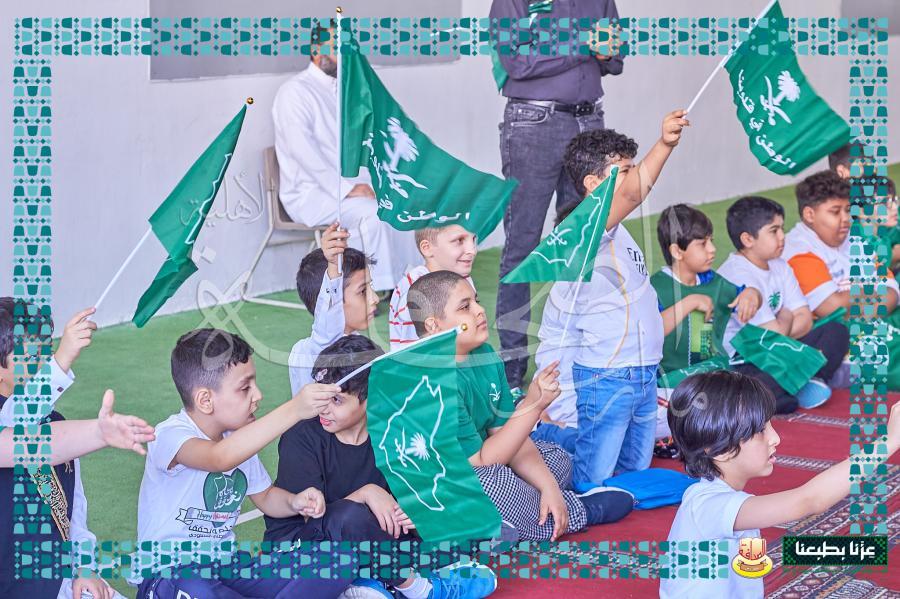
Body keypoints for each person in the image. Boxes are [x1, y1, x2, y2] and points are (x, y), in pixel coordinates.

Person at [408, 271, 634, 542]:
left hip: (490, 461)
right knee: (494, 484)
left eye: (476, 301)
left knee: (557, 459)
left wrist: (549, 486)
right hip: (444, 487)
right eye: (465, 307)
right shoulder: (433, 381)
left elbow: (505, 433)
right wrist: (533, 406)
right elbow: (481, 462)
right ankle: (579, 510)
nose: (480, 310)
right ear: (433, 325)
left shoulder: (484, 355)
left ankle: (504, 521)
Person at [267, 335, 497, 599]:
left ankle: (374, 582)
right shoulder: (301, 437)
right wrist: (366, 493)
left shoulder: (392, 431)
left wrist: (416, 511)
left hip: (374, 541)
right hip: (308, 547)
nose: (324, 409)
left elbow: (419, 493)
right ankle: (420, 589)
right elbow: (315, 519)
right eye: (322, 396)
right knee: (349, 517)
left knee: (458, 518)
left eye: (337, 400)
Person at [132, 328, 351, 598]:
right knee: (197, 589)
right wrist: (295, 409)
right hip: (169, 572)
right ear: (205, 400)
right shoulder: (169, 435)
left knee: (337, 562)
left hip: (228, 567)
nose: (257, 395)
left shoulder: (236, 440)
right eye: (245, 388)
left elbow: (266, 497)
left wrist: (295, 502)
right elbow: (218, 458)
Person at [541, 110, 689, 490]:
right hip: (607, 377)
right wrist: (666, 144)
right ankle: (547, 436)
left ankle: (564, 442)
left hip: (643, 372)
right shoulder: (584, 229)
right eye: (624, 171)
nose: (634, 177)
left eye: (633, 168)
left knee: (634, 474)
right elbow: (632, 194)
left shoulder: (621, 233)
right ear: (593, 184)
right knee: (594, 482)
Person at [661, 370, 900, 598]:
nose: (775, 438)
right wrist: (888, 442)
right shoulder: (707, 505)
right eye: (760, 431)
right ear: (718, 450)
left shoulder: (723, 498)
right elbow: (809, 500)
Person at [489, 0, 624, 390]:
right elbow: (516, 62)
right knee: (523, 245)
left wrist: (607, 51)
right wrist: (584, 45)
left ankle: (579, 352)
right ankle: (513, 368)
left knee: (586, 242)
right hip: (534, 121)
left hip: (590, 120)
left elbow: (616, 57)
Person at [0, 300, 155, 599]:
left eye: (46, 351)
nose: (42, 361)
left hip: (58, 581)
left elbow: (74, 510)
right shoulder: (13, 421)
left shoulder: (57, 423)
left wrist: (85, 567)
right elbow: (18, 428)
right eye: (30, 354)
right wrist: (62, 361)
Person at [272, 24, 417, 291]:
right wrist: (348, 189)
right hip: (310, 193)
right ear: (316, 51)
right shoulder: (294, 92)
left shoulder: (345, 91)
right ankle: (374, 289)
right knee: (372, 215)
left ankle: (410, 281)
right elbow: (303, 153)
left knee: (403, 202)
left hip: (349, 187)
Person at [649, 204, 762, 456]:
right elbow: (650, 332)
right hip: (670, 382)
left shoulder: (712, 281)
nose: (712, 249)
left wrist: (753, 294)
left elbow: (742, 294)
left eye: (711, 241)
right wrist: (689, 303)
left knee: (753, 379)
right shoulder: (655, 287)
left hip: (713, 373)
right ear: (677, 251)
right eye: (702, 243)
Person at [719, 196, 850, 412]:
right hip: (745, 361)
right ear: (748, 239)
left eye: (782, 228)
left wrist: (782, 327)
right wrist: (787, 315)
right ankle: (797, 383)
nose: (782, 236)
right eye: (774, 231)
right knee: (765, 389)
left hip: (780, 349)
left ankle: (802, 383)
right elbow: (771, 336)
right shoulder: (737, 275)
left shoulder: (780, 265)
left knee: (836, 331)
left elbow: (805, 320)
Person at [784, 170, 899, 320]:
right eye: (835, 212)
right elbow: (832, 308)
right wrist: (873, 291)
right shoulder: (799, 250)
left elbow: (892, 291)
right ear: (809, 215)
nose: (846, 218)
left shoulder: (854, 237)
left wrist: (863, 316)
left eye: (848, 210)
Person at [288, 223, 379, 394]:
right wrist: (334, 267)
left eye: (371, 287)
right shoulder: (320, 347)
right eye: (363, 291)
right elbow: (329, 315)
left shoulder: (356, 341)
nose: (375, 299)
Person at [389, 224, 478, 350]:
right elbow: (413, 351)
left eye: (473, 240)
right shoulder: (414, 292)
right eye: (459, 241)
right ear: (427, 248)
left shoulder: (462, 278)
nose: (472, 250)